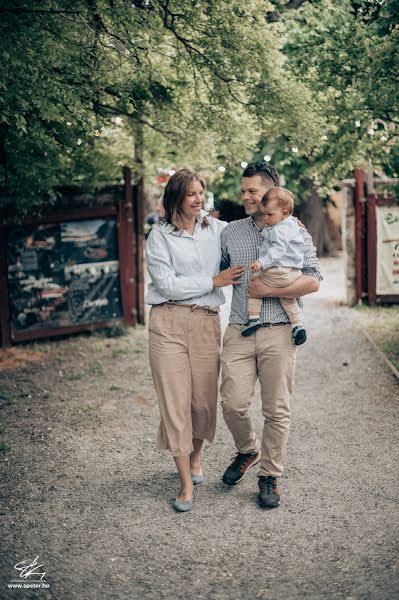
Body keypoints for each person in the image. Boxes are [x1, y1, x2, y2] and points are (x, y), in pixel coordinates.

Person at [220, 161, 321, 509]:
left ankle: (269, 476)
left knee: (277, 410)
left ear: (271, 194)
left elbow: (314, 279)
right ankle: (248, 450)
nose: (246, 196)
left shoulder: (297, 231)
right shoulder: (230, 231)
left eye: (253, 191)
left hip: (279, 330)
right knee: (232, 404)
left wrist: (268, 291)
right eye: (243, 190)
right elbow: (209, 261)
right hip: (239, 329)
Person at [145, 168, 245, 512]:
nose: (199, 199)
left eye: (201, 193)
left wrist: (290, 228)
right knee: (175, 403)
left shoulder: (218, 230)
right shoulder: (159, 236)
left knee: (202, 402)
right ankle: (185, 483)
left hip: (205, 322)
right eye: (191, 194)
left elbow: (253, 234)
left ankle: (197, 455)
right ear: (176, 198)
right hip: (167, 322)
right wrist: (213, 280)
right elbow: (167, 284)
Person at [241, 186, 307, 346]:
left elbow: (277, 250)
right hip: (293, 273)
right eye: (264, 214)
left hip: (278, 270)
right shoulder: (292, 224)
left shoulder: (279, 230)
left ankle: (254, 319)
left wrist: (261, 262)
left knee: (255, 284)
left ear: (285, 213)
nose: (266, 219)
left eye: (270, 215)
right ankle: (297, 325)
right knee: (288, 299)